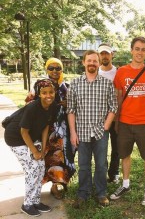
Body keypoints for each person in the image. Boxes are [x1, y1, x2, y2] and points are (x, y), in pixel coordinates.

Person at [110, 36, 145, 206]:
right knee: (124, 154)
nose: (140, 52)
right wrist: (116, 120)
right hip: (125, 122)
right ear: (131, 50)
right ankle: (125, 185)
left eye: (143, 49)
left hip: (144, 123)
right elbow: (118, 97)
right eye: (137, 49)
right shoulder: (121, 72)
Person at [67, 50, 118, 209]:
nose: (92, 63)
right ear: (83, 62)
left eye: (95, 61)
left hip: (100, 132)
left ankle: (101, 193)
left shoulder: (106, 83)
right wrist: (73, 133)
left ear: (98, 63)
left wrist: (106, 126)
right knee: (83, 165)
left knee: (101, 164)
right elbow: (71, 110)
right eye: (89, 60)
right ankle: (83, 193)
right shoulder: (75, 84)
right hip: (81, 132)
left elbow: (113, 107)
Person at [4, 79, 57, 217]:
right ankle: (27, 204)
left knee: (40, 167)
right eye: (44, 93)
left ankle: (35, 201)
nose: (48, 95)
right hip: (15, 138)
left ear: (54, 92)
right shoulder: (32, 107)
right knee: (32, 169)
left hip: (31, 137)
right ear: (39, 94)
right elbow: (23, 132)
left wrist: (43, 149)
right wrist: (34, 151)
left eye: (51, 92)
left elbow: (46, 126)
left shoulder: (51, 106)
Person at [26, 58, 76, 199]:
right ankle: (48, 186)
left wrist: (67, 104)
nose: (54, 71)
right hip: (46, 129)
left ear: (61, 70)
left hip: (63, 129)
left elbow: (73, 105)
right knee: (49, 158)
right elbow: (30, 102)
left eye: (58, 68)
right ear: (47, 69)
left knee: (62, 158)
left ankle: (59, 183)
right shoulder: (40, 85)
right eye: (51, 68)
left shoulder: (65, 86)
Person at [97, 43, 119, 184]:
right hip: (100, 118)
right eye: (102, 53)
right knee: (101, 148)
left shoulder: (119, 72)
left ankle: (114, 173)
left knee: (117, 147)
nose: (104, 56)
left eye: (107, 53)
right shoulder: (95, 72)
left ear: (112, 54)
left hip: (116, 117)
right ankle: (102, 173)